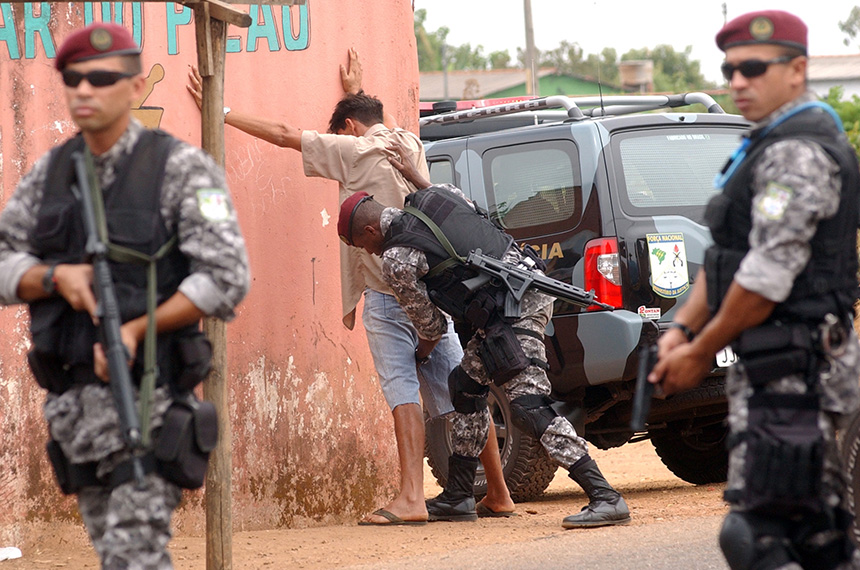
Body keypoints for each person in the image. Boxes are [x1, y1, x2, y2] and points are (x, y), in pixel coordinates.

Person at [186, 49, 513, 524]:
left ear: (349, 130)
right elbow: (381, 121)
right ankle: (499, 491)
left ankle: (411, 499)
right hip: (433, 295)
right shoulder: (408, 143)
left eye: (340, 129)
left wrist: (221, 109)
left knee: (402, 388)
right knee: (463, 391)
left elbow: (282, 134)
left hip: (387, 292)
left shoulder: (351, 150)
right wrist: (356, 93)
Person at [0, 22, 250, 568]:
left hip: (149, 404)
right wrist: (52, 279)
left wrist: (140, 328)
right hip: (75, 413)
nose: (84, 90)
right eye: (73, 79)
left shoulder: (180, 170)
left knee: (133, 556)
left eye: (101, 78)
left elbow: (227, 275)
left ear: (136, 87)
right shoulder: (50, 174)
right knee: (120, 554)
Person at [649, 10, 860, 570]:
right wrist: (681, 328)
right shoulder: (764, 146)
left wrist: (697, 351)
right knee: (818, 540)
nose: (737, 80)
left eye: (753, 68)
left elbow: (766, 277)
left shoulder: (799, 153)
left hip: (801, 372)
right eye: (731, 69)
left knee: (757, 536)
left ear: (797, 70)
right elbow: (726, 260)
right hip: (775, 366)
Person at [337, 142, 631, 527]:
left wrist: (421, 355)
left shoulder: (397, 258)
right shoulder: (437, 195)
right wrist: (414, 174)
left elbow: (431, 327)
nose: (368, 253)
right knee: (466, 385)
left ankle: (605, 495)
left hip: (514, 308)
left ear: (372, 231)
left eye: (362, 246)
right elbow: (459, 215)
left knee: (528, 405)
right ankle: (459, 496)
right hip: (520, 291)